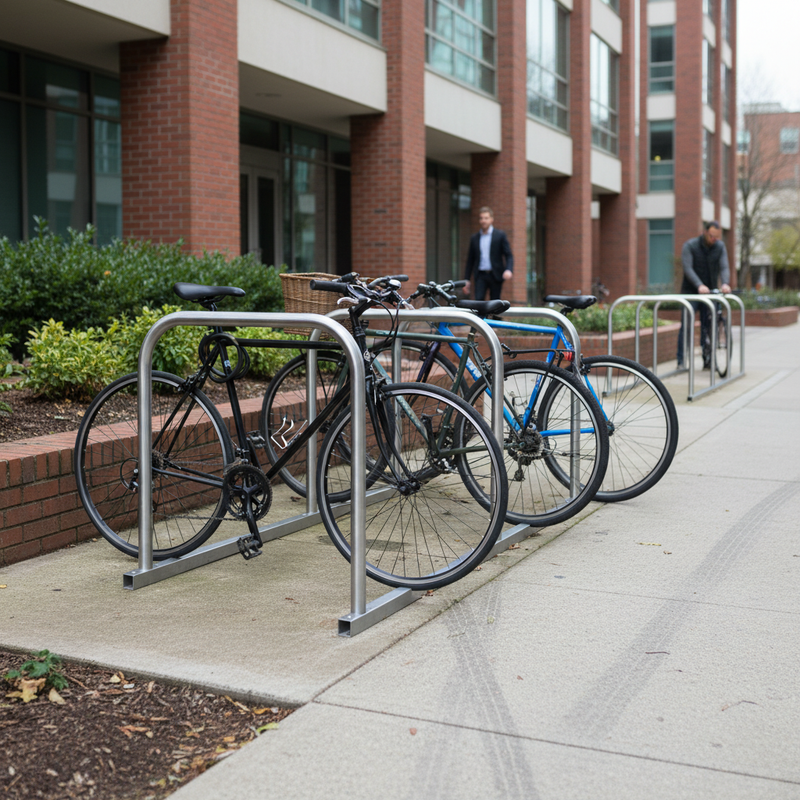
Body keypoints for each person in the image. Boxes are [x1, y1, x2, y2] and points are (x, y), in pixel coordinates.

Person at [677, 220, 732, 369]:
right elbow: (688, 268)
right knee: (686, 326)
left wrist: (725, 283)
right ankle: (681, 361)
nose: (714, 239)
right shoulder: (690, 245)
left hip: (710, 292)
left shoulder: (719, 247)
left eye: (717, 237)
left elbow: (724, 266)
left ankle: (707, 359)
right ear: (705, 232)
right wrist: (699, 285)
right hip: (691, 292)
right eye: (712, 236)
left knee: (708, 326)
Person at [463, 207, 513, 301]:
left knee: (495, 303)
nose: (483, 221)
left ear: (491, 219)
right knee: (478, 301)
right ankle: (481, 316)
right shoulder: (475, 238)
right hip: (480, 275)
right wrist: (466, 279)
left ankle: (492, 316)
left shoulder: (499, 235)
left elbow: (508, 255)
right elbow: (470, 260)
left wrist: (508, 269)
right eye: (481, 218)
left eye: (486, 218)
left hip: (495, 275)